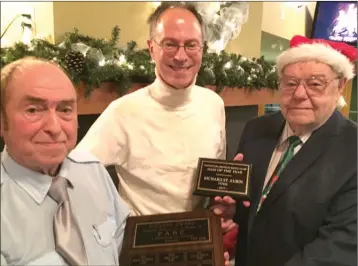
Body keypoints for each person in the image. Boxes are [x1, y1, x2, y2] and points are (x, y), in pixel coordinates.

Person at [212, 35, 357, 266]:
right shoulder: (256, 129)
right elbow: (260, 206)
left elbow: (339, 247)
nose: (299, 94)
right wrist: (233, 210)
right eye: (290, 83)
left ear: (340, 86)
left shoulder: (353, 149)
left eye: (315, 84)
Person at [76, 2, 226, 216]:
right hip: (142, 244)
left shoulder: (214, 104)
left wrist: (222, 204)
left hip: (201, 241)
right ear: (152, 49)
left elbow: (214, 183)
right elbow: (75, 174)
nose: (181, 56)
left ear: (202, 48)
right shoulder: (123, 112)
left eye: (191, 45)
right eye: (170, 44)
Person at [0, 57, 130, 265]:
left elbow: (120, 241)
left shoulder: (93, 171)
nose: (54, 127)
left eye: (65, 110)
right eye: (33, 110)